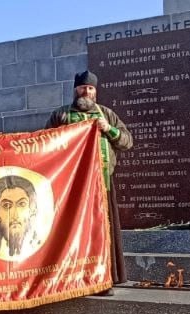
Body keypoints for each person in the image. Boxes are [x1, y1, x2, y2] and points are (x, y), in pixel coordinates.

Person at [45, 70, 133, 295]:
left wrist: (109, 129)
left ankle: (104, 278)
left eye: (90, 88)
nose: (86, 91)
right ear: (75, 90)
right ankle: (72, 277)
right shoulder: (61, 115)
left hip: (102, 183)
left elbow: (127, 142)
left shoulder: (107, 114)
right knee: (74, 231)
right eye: (82, 88)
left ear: (96, 91)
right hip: (71, 186)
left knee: (102, 230)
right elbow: (43, 144)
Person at [0, 174, 40, 257]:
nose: (15, 215)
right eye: (7, 206)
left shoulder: (40, 246)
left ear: (31, 210)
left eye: (22, 204)